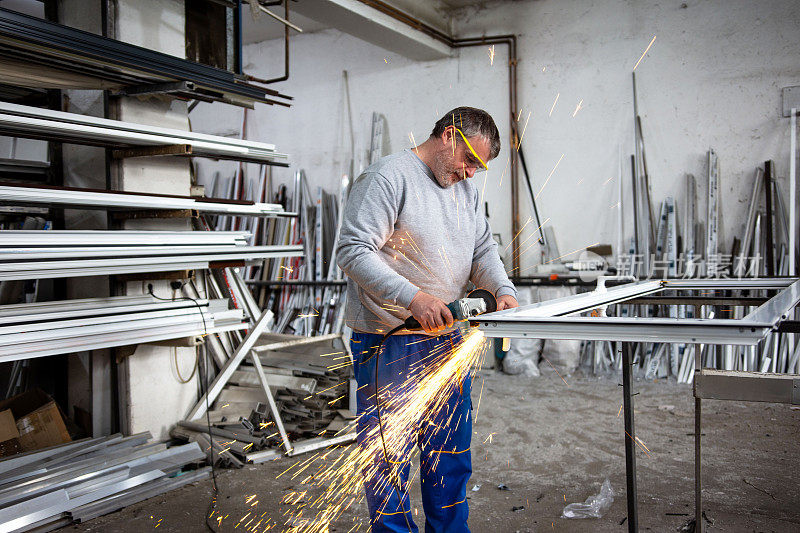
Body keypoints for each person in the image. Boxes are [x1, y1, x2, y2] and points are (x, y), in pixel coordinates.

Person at [337, 106, 518, 532]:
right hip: (390, 339)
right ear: (449, 136)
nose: (472, 173)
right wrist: (412, 297)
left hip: (447, 339)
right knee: (388, 458)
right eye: (469, 160)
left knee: (450, 453)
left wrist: (502, 289)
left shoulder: (465, 191)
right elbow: (352, 250)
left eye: (480, 166)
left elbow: (482, 251)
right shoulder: (387, 178)